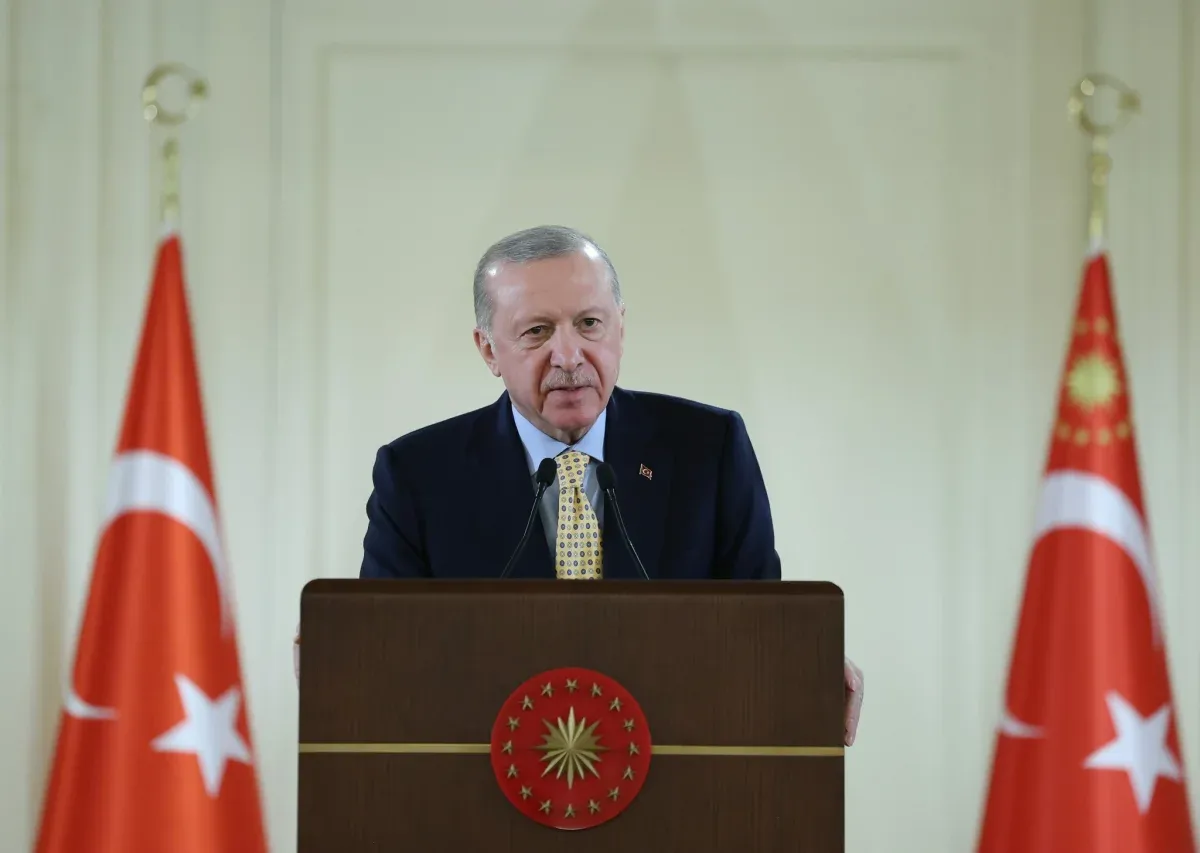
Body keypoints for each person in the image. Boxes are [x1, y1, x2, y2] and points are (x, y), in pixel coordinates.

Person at [299, 225, 864, 745]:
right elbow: (388, 653)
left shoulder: (707, 448)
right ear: (489, 349)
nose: (569, 356)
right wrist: (347, 662)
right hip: (486, 786)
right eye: (537, 331)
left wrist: (798, 662)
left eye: (590, 324)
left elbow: (759, 626)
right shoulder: (417, 475)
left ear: (621, 328)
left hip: (677, 776)